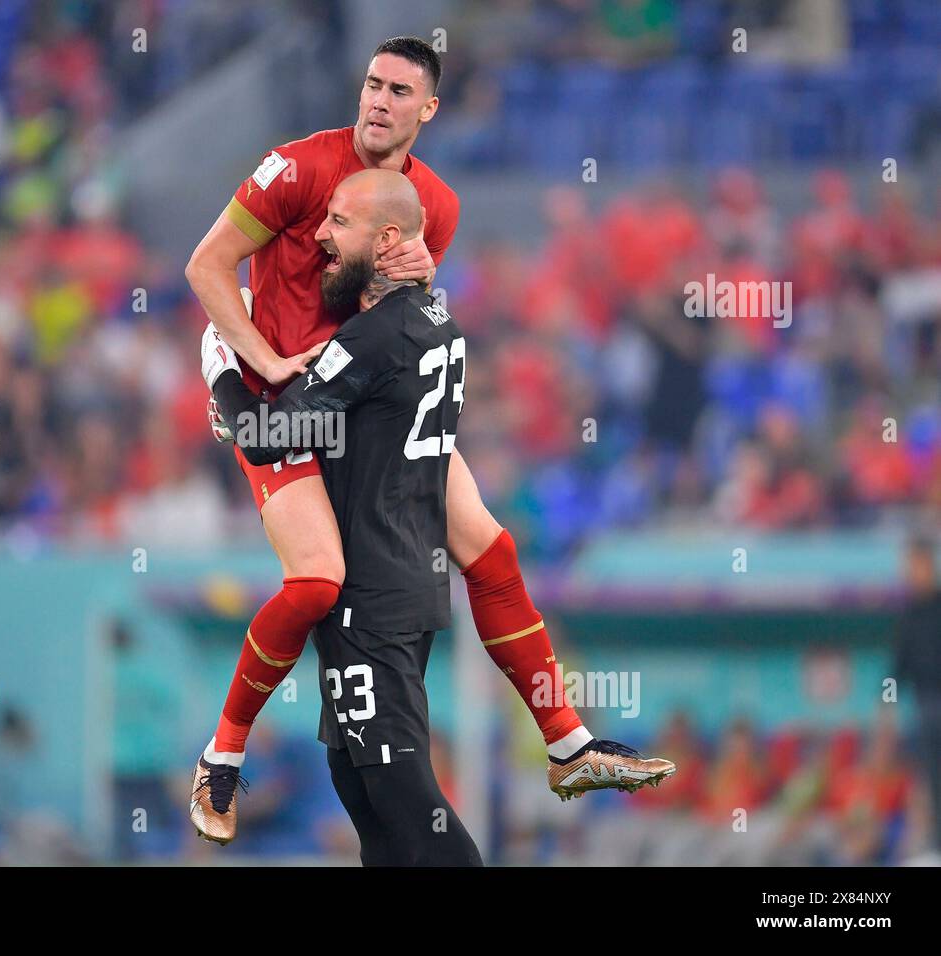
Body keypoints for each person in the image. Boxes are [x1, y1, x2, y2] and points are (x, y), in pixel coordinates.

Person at [186, 36, 673, 843]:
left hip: (362, 407)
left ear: (428, 109)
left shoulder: (434, 207)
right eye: (372, 85)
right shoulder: (297, 167)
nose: (379, 101)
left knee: (490, 547)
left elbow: (394, 322)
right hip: (286, 407)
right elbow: (208, 267)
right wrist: (255, 364)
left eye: (398, 91)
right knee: (314, 584)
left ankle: (568, 744)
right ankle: (222, 756)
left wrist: (423, 281)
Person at [200, 168, 482, 863]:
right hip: (403, 581)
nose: (320, 237)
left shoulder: (370, 341)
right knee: (360, 793)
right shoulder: (434, 317)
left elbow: (268, 439)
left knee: (408, 805)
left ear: (388, 240)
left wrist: (222, 373)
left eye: (339, 224)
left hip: (372, 600)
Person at [895, 534, 941, 853]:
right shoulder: (909, 613)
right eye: (910, 566)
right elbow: (898, 667)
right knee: (930, 776)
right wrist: (885, 704)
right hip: (925, 702)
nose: (914, 571)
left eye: (920, 564)